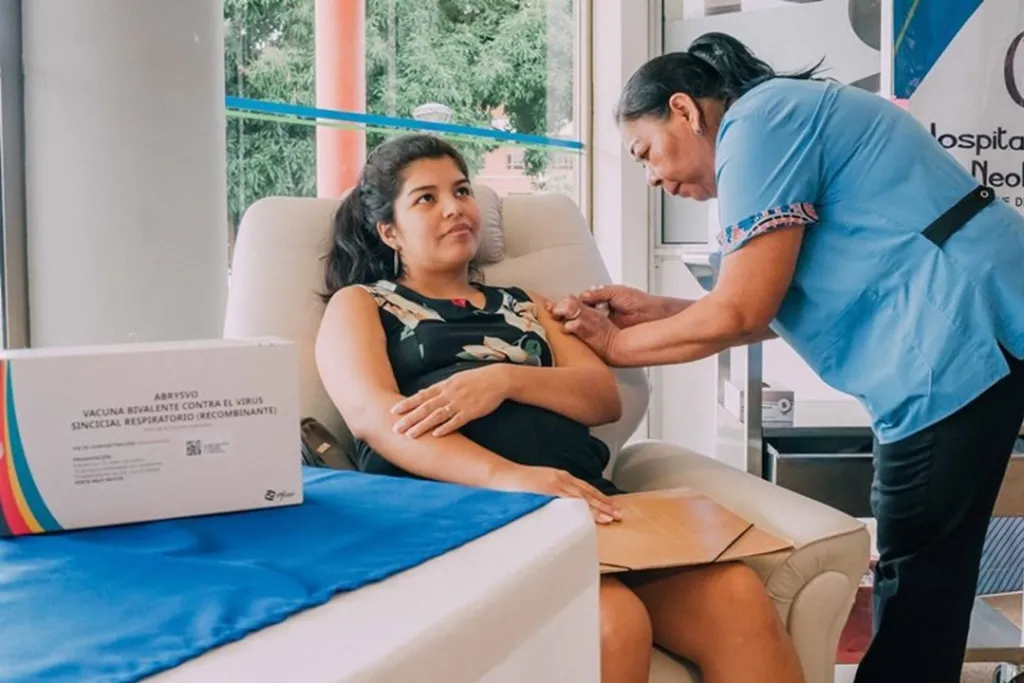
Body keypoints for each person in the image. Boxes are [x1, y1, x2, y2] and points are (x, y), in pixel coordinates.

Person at [549, 31, 1024, 683]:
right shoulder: (783, 116)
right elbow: (771, 301)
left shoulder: (759, 121)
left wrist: (613, 345)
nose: (654, 177)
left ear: (684, 110)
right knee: (928, 567)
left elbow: (741, 310)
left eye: (646, 153)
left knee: (920, 567)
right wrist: (658, 310)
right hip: (979, 317)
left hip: (958, 332)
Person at [314, 133, 806, 683]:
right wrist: (511, 478)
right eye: (426, 198)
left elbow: (600, 397)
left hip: (578, 500)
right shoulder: (362, 304)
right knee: (612, 621)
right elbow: (377, 419)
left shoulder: (526, 304)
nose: (454, 207)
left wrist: (504, 380)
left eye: (462, 190)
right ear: (390, 231)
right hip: (461, 512)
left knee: (737, 594)